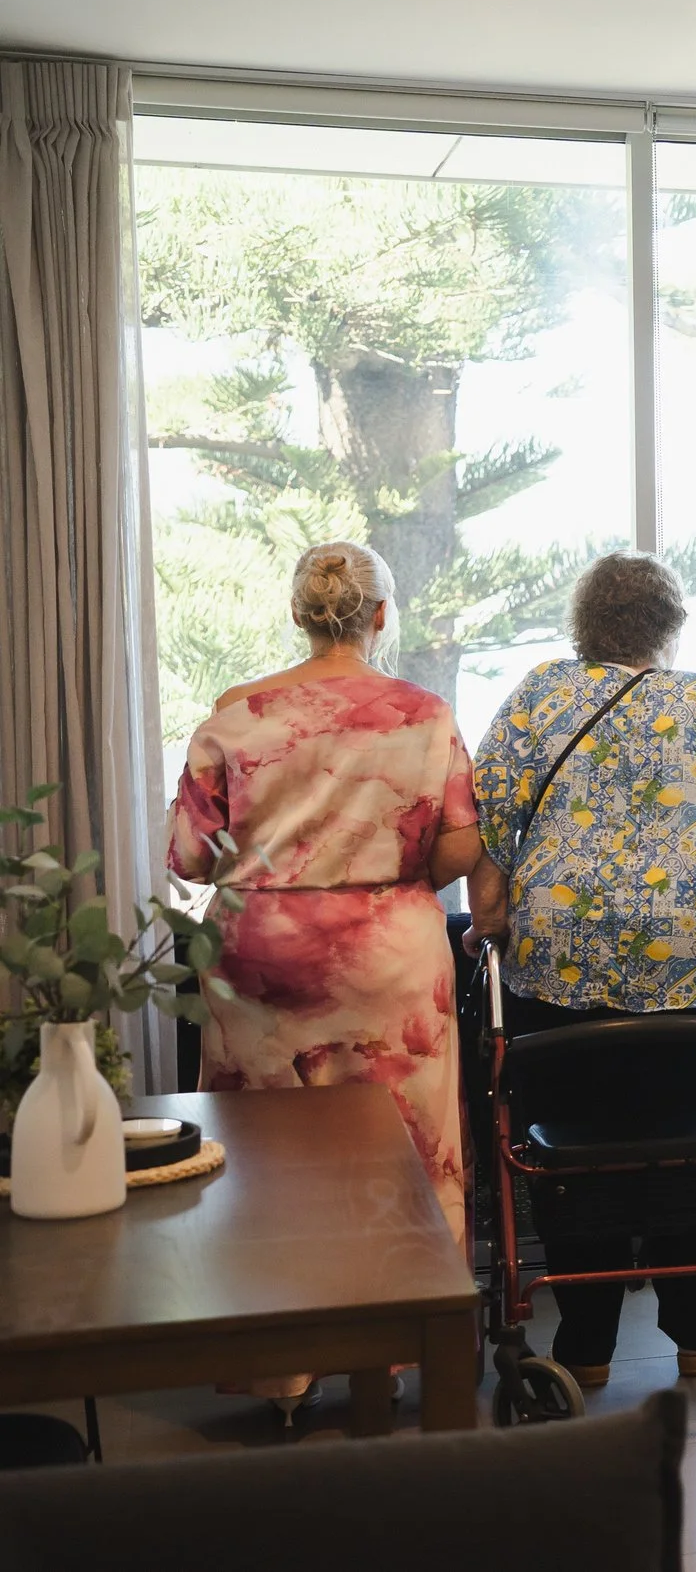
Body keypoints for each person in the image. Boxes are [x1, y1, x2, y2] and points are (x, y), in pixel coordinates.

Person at [466, 552, 696, 1391]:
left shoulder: (540, 695)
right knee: (685, 1139)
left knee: (570, 1153)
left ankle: (584, 1346)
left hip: (555, 972)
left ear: (584, 624)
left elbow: (487, 829)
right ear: (671, 625)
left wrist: (496, 922)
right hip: (690, 974)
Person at [167, 541, 480, 1419]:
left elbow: (188, 856)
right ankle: (394, 1350)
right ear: (380, 615)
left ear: (298, 615)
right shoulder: (424, 714)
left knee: (268, 1162)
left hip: (259, 964)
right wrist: (396, 870)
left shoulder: (234, 717)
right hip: (389, 960)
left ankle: (282, 1374)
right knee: (403, 1155)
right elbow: (459, 845)